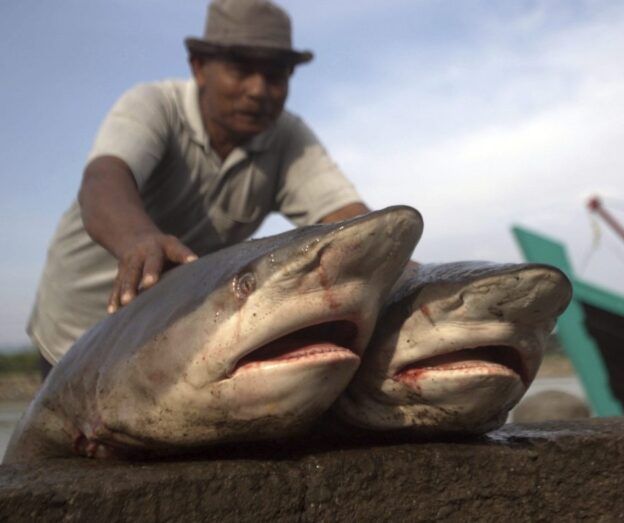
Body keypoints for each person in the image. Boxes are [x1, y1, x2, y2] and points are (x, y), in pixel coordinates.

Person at [27, 0, 371, 377]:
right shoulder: (155, 106)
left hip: (165, 340)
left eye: (275, 76)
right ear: (199, 67)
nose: (259, 90)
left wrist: (394, 261)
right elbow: (103, 181)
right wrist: (139, 239)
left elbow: (350, 221)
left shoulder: (288, 138)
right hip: (75, 335)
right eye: (241, 69)